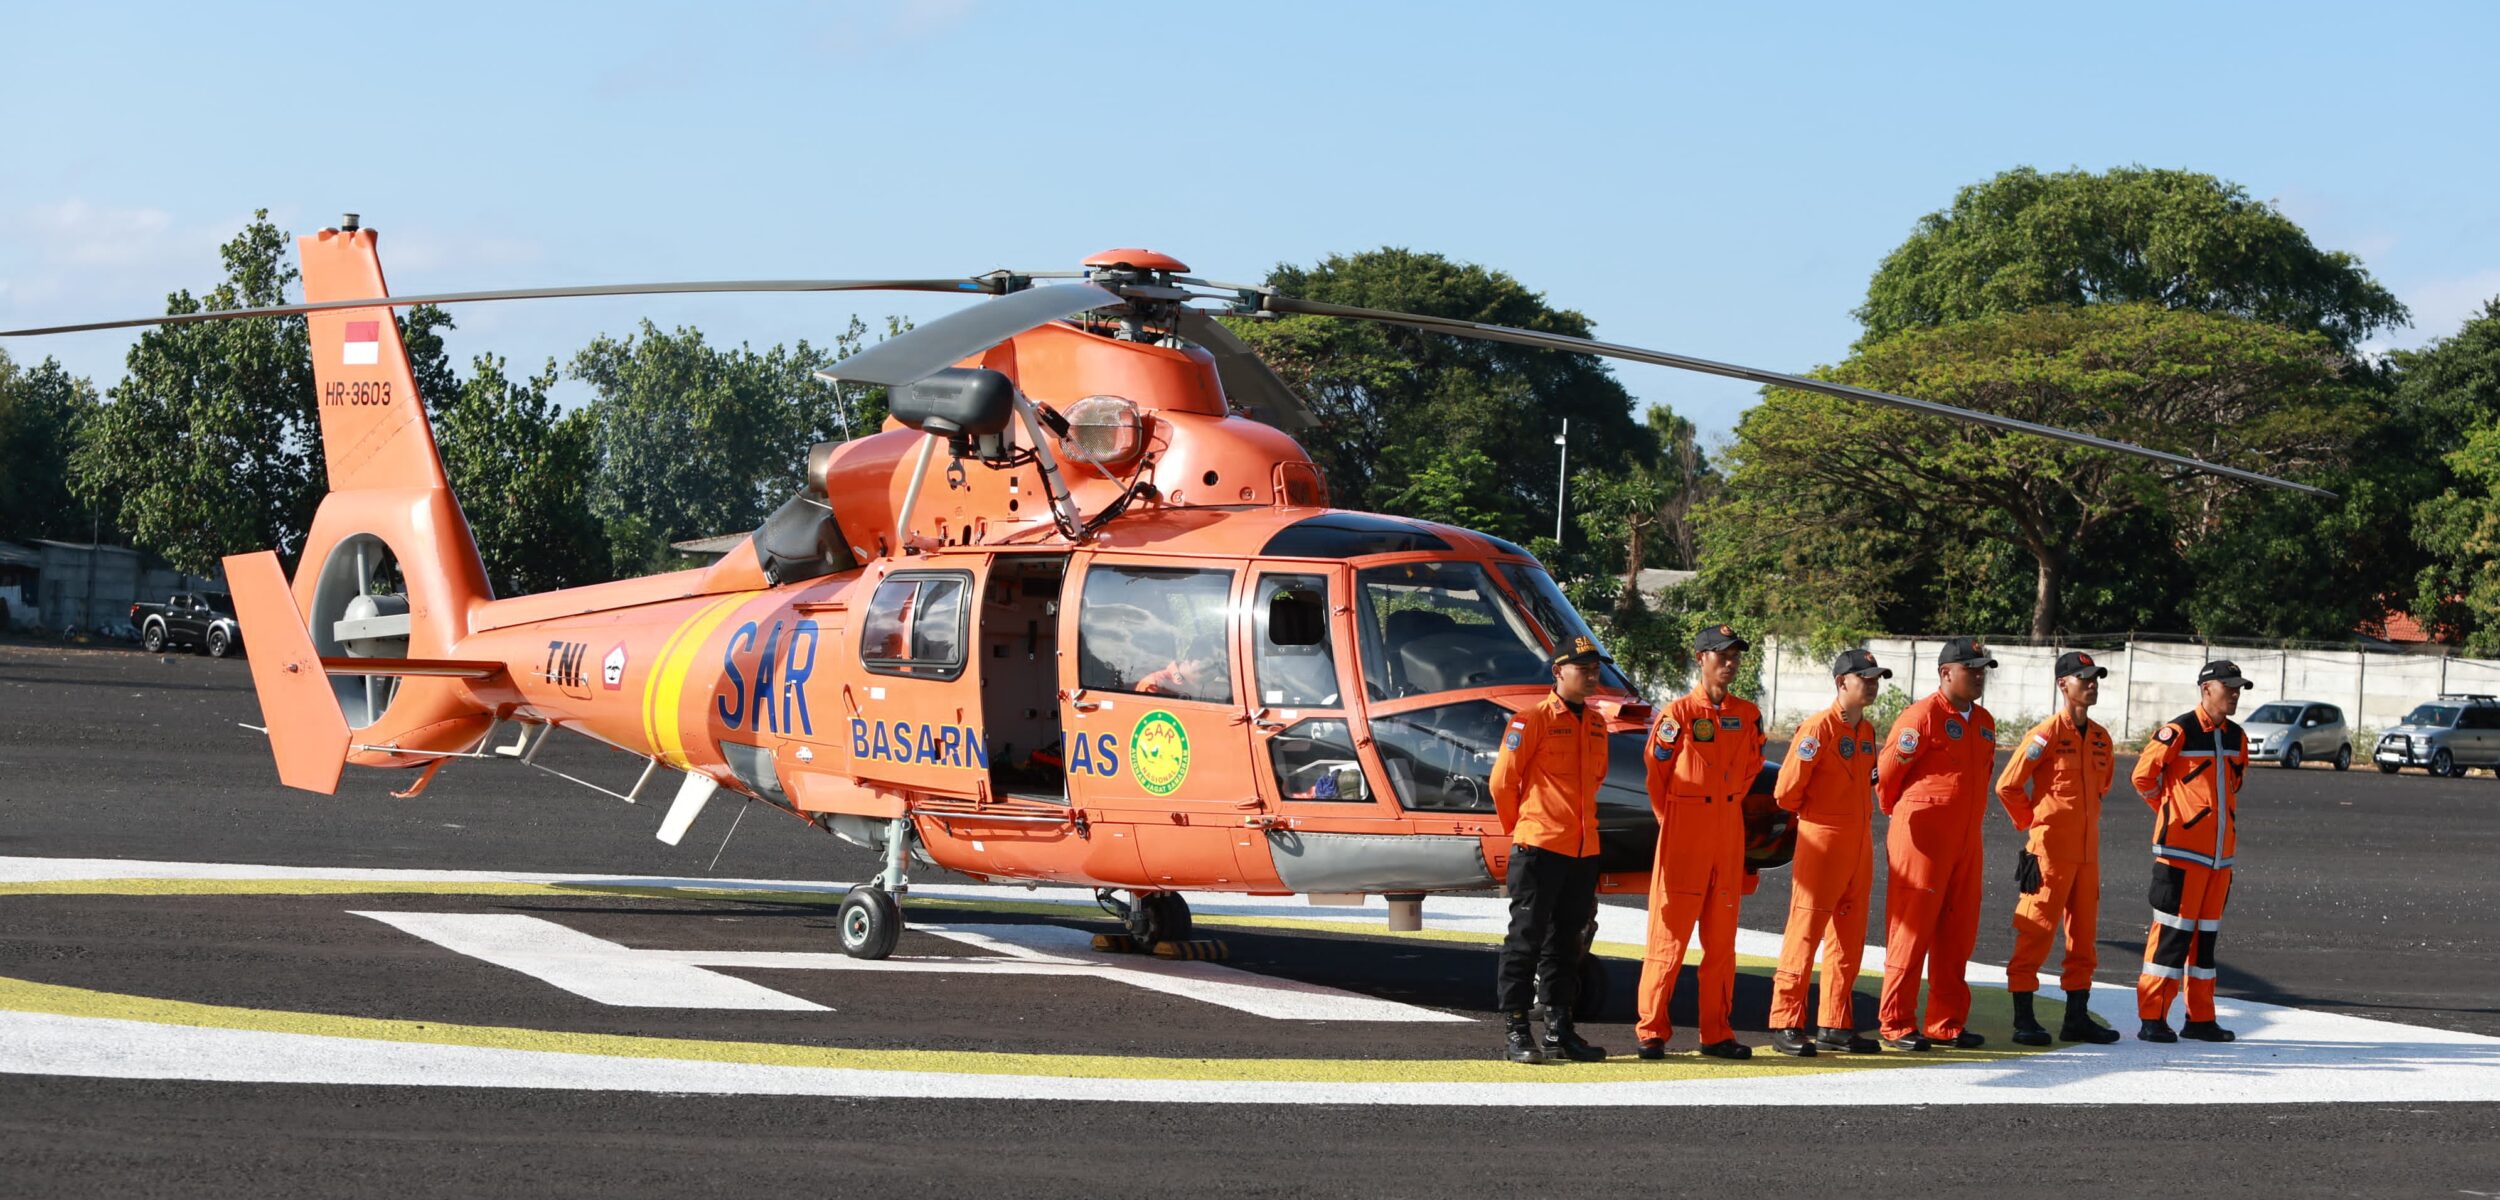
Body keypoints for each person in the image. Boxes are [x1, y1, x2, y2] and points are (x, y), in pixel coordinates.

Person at [1635, 624, 1765, 1061]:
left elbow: (1753, 765)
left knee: (1722, 940)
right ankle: (1652, 1030)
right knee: (1669, 936)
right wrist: (1673, 816)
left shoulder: (1747, 714)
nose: (1729, 663)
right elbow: (1656, 772)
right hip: (1685, 828)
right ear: (1701, 658)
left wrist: (1725, 804)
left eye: (1735, 656)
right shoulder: (1678, 714)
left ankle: (1717, 1032)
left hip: (1727, 828)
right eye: (1721, 655)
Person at [1487, 635, 1614, 1064]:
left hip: (1582, 850)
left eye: (1595, 666)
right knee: (1525, 940)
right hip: (1539, 847)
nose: (1593, 674)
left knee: (1567, 943)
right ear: (1558, 672)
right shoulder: (1530, 720)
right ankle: (1517, 1031)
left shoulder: (1597, 724)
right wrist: (1523, 828)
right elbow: (1502, 782)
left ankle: (1560, 1031)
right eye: (1583, 667)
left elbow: (1593, 783)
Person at [1873, 636, 1998, 1051]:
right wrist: (1901, 817)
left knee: (1957, 933)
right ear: (1946, 673)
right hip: (1922, 839)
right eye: (1971, 669)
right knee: (1910, 931)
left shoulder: (1983, 721)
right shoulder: (1921, 716)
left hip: (1965, 842)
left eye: (1983, 670)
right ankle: (1896, 1022)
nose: (1979, 676)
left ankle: (1945, 1023)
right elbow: (1888, 773)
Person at [1992, 651, 2124, 1045]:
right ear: (2062, 684)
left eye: (2096, 677)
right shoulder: (2045, 734)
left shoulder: (2101, 737)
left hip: (2087, 856)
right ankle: (2023, 1020)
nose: (2092, 684)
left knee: (2083, 939)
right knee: (2034, 933)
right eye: (2083, 678)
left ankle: (2076, 1018)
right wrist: (2032, 824)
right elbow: (2007, 785)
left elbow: (2102, 786)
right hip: (2048, 854)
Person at [1765, 647, 1891, 1057]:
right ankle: (1786, 1020)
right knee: (1805, 931)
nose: (1872, 685)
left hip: (1857, 841)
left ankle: (1835, 1023)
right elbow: (1785, 792)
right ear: (1842, 683)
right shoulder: (1817, 729)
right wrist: (1818, 818)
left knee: (1848, 937)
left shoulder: (1867, 731)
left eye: (1875, 679)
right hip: (1822, 838)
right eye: (1865, 679)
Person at [2131, 659, 2253, 1044]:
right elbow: (2143, 777)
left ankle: (2200, 1018)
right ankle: (2153, 1016)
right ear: (2206, 690)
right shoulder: (2178, 731)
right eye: (2228, 686)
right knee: (2170, 938)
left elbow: (2234, 786)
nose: (2234, 693)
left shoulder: (2237, 736)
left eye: (2238, 687)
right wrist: (2172, 813)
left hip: (2220, 860)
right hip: (2181, 855)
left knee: (2205, 942)